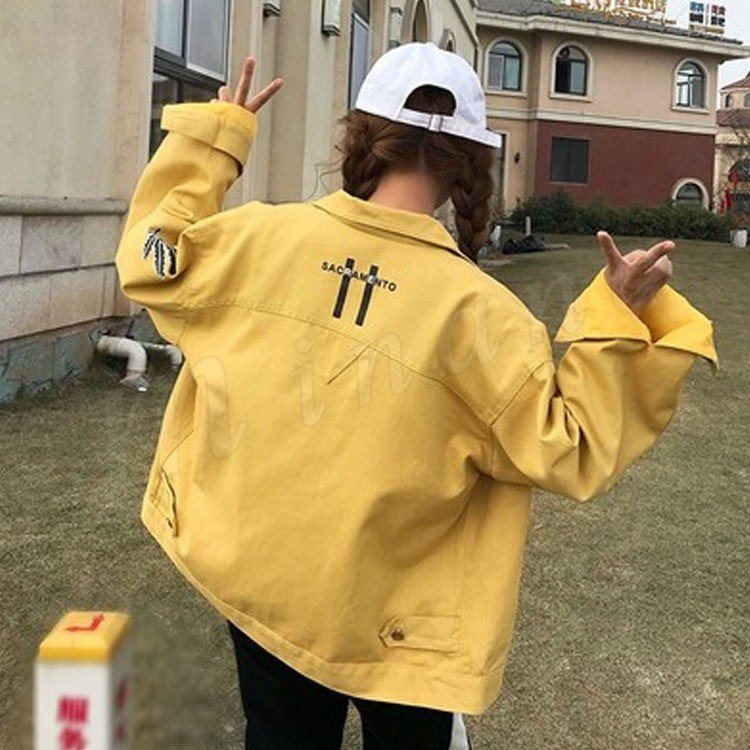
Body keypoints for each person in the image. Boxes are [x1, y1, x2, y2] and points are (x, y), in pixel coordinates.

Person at [114, 43, 718, 750]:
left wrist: (214, 139)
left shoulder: (256, 239)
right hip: (402, 621)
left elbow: (152, 258)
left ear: (362, 136)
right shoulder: (483, 316)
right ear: (472, 162)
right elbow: (572, 447)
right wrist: (616, 317)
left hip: (262, 581)